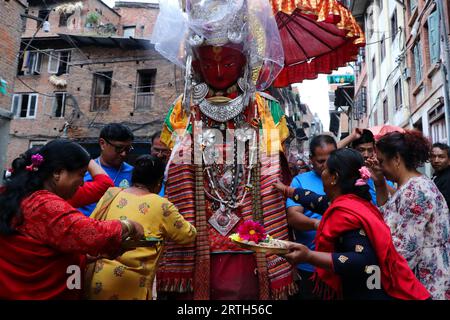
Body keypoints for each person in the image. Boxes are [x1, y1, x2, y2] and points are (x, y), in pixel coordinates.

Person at [153, 0, 295, 299]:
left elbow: (277, 171)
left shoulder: (266, 109)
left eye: (228, 63)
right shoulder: (183, 109)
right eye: (208, 64)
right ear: (196, 64)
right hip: (198, 226)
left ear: (245, 63)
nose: (217, 72)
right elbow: (173, 168)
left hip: (253, 223)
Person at [0, 139, 144, 300]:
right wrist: (128, 225)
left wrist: (87, 256)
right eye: (81, 175)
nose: (82, 183)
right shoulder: (44, 204)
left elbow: (50, 245)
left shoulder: (19, 195)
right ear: (57, 173)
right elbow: (92, 233)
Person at [280, 148, 430, 300]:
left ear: (334, 177)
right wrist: (286, 190)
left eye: (326, 169)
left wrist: (309, 256)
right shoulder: (354, 202)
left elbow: (361, 259)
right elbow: (315, 201)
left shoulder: (345, 214)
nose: (322, 172)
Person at [87, 155, 196, 300]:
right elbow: (187, 235)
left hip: (98, 281)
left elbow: (91, 225)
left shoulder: (112, 193)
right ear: (158, 183)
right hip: (132, 286)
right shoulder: (161, 205)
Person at [367, 131, 450, 300]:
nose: (380, 166)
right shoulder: (409, 186)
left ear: (397, 159)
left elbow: (406, 250)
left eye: (382, 161)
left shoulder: (415, 191)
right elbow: (387, 216)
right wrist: (380, 183)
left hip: (424, 281)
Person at [286, 134, 337, 299]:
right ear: (311, 159)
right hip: (309, 266)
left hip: (339, 264)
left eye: (332, 158)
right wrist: (320, 225)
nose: (327, 165)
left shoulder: (347, 178)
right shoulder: (300, 181)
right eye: (321, 161)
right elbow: (293, 217)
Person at [78, 123, 134, 216]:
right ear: (102, 144)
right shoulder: (83, 170)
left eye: (128, 149)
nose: (123, 154)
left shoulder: (134, 173)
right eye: (119, 148)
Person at [337, 128, 395, 205]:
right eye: (361, 150)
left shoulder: (379, 170)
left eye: (370, 150)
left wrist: (379, 180)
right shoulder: (348, 169)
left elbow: (396, 197)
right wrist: (352, 137)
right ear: (353, 150)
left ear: (374, 150)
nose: (366, 155)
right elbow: (330, 154)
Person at [150, 131, 171, 197]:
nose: (159, 155)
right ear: (151, 147)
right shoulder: (142, 171)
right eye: (156, 150)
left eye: (164, 151)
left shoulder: (176, 174)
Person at [431, 143, 450, 208]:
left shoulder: (448, 178)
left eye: (441, 157)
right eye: (433, 156)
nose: (436, 160)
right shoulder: (438, 174)